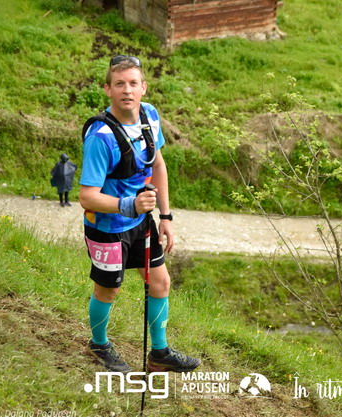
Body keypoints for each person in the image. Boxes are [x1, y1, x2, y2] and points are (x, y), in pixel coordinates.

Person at [79, 55, 200, 373]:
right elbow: (86, 197)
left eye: (133, 83)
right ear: (107, 89)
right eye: (119, 84)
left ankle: (159, 353)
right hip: (107, 226)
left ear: (143, 88)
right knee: (109, 289)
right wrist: (129, 205)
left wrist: (166, 217)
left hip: (142, 221)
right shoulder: (100, 137)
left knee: (160, 282)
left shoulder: (150, 115)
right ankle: (98, 344)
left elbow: (157, 163)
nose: (127, 90)